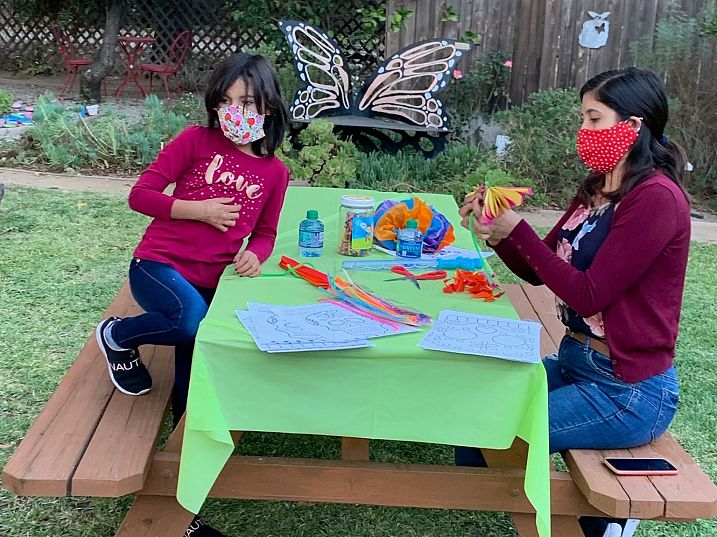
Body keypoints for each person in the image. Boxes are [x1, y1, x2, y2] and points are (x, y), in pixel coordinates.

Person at [458, 67, 690, 537]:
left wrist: (516, 231)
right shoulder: (597, 188)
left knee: (501, 432)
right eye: (582, 118)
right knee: (470, 426)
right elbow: (538, 269)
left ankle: (602, 522)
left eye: (593, 118)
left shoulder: (656, 199)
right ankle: (582, 517)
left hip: (628, 390)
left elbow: (589, 293)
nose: (583, 130)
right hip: (577, 363)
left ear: (634, 125)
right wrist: (500, 233)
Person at [94, 53, 290, 537]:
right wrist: (195, 209)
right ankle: (118, 335)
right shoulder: (194, 141)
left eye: (244, 101)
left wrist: (257, 255)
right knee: (189, 321)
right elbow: (141, 195)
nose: (234, 110)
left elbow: (265, 232)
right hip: (157, 266)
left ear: (267, 106)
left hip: (210, 281)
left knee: (194, 384)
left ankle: (180, 497)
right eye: (225, 100)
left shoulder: (275, 173)